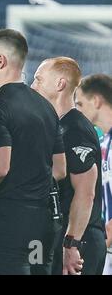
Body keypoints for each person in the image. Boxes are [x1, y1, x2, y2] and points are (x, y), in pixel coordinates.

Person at [0, 29, 67, 275]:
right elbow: (60, 169)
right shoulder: (46, 107)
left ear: (1, 61)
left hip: (9, 220)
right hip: (43, 222)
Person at [31, 57, 106, 275]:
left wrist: (72, 244)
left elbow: (85, 192)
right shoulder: (58, 126)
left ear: (60, 84)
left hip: (79, 241)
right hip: (66, 237)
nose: (33, 86)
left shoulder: (75, 129)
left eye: (38, 79)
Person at [75, 74, 112, 274]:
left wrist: (103, 239)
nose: (77, 111)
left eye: (80, 104)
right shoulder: (104, 141)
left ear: (96, 101)